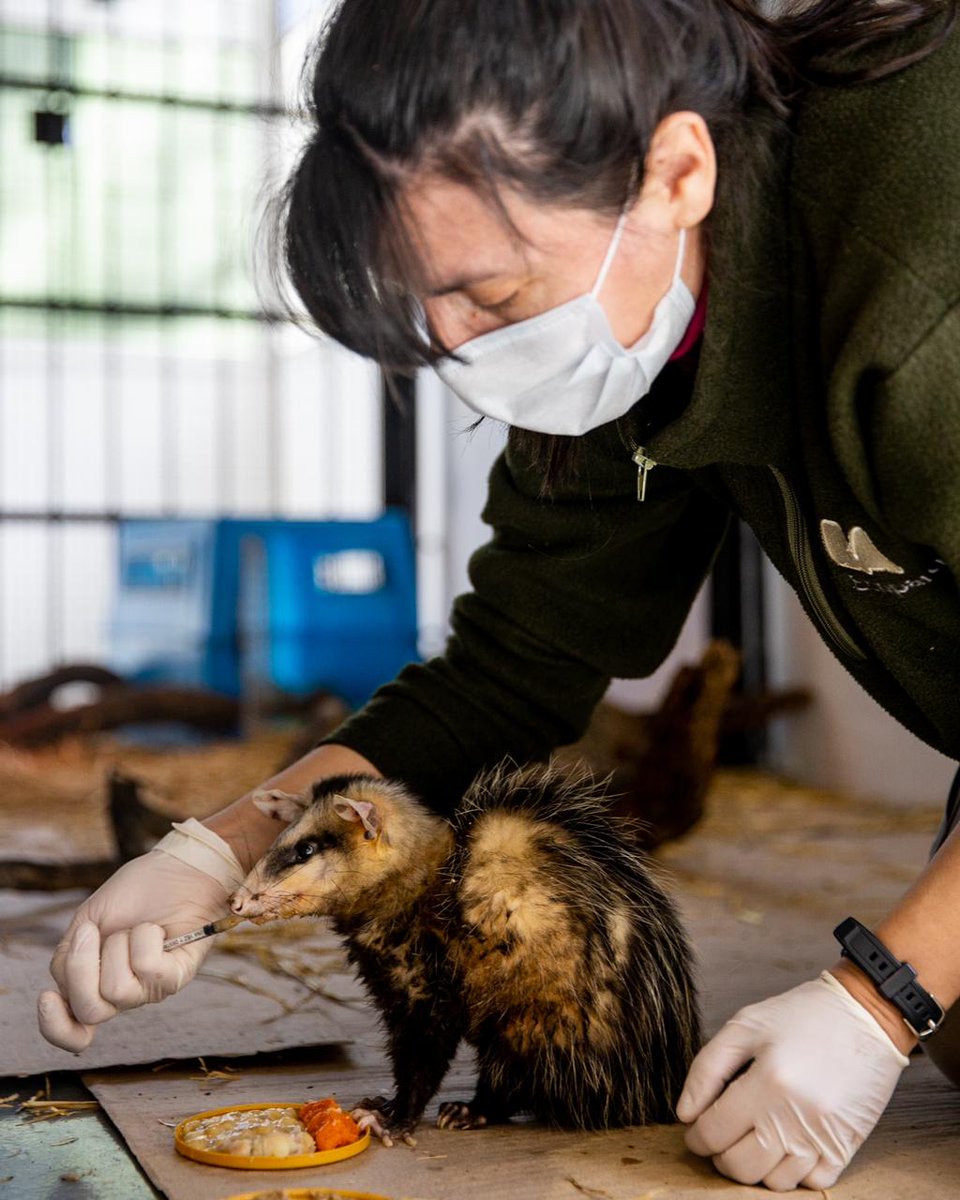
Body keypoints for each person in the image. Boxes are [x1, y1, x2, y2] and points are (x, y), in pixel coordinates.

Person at [37, 0, 960, 1190]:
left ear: (675, 169)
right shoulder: (621, 325)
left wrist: (877, 996)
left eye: (492, 298)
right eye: (425, 313)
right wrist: (218, 846)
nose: (463, 350)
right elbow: (511, 666)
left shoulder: (915, 257)